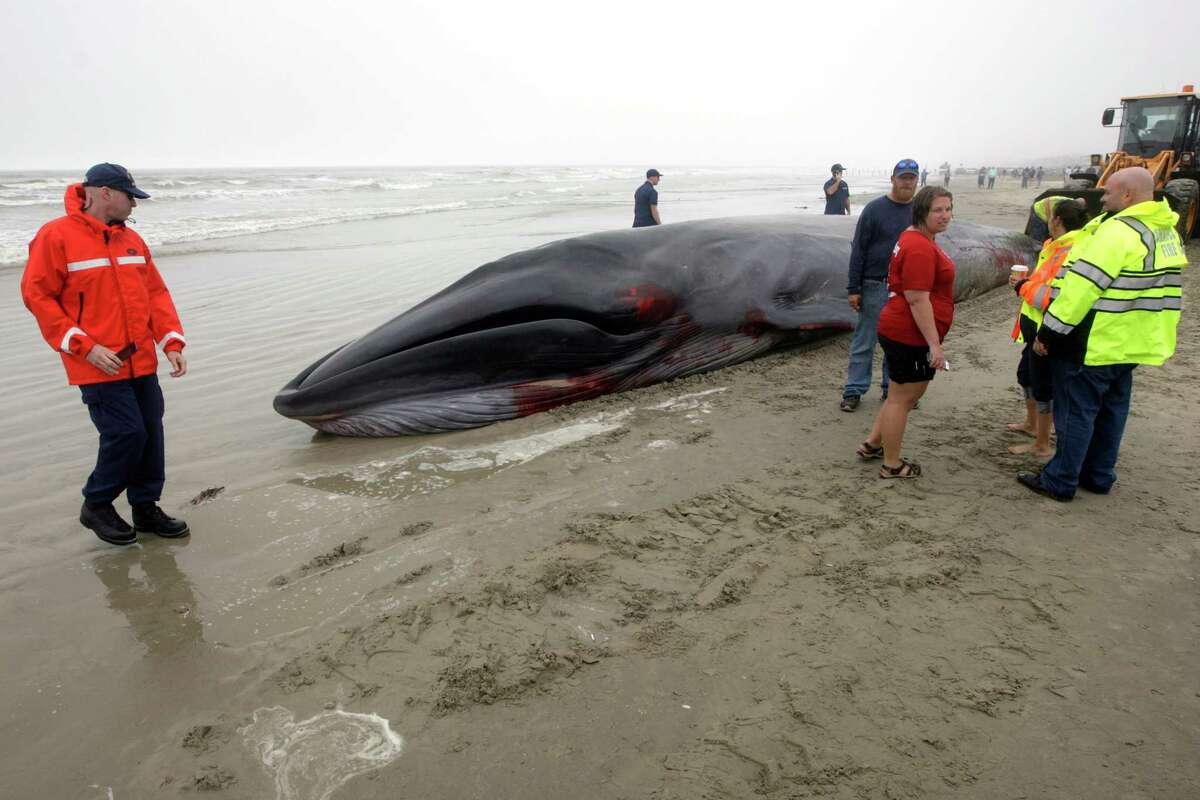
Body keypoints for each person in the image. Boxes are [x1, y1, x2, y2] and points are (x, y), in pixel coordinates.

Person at [21, 163, 190, 546]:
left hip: (141, 360)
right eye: (131, 197)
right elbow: (38, 296)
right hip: (97, 363)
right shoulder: (55, 236)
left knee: (149, 433)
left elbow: (155, 295)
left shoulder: (132, 241)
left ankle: (145, 507)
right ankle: (96, 503)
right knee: (126, 433)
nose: (135, 205)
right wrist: (84, 346)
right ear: (104, 193)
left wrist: (171, 342)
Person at [1018, 167, 1188, 500]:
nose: (1102, 196)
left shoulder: (1117, 234)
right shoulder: (1165, 231)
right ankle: (1098, 475)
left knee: (1077, 411)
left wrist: (1049, 333)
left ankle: (1061, 479)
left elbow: (1080, 292)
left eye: (1108, 192)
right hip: (1135, 340)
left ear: (1127, 195)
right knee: (1112, 410)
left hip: (1097, 340)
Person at [855, 186, 956, 478]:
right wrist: (934, 345)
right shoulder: (919, 246)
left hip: (901, 327)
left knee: (898, 394)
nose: (945, 215)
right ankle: (892, 464)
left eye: (948, 208)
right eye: (937, 210)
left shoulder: (914, 236)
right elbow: (916, 297)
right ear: (922, 212)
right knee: (905, 398)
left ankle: (873, 443)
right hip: (908, 333)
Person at [1006, 197, 1090, 458]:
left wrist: (1022, 286)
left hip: (1049, 330)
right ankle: (1032, 425)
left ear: (1058, 221)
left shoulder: (1070, 249)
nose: (1047, 221)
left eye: (1050, 217)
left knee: (1044, 387)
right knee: (1027, 376)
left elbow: (1054, 296)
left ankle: (1042, 443)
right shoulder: (1055, 246)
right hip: (1035, 326)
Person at [839, 159, 920, 411]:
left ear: (917, 180)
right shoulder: (874, 209)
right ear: (892, 179)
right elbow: (858, 250)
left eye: (912, 178)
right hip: (875, 285)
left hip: (907, 289)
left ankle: (891, 389)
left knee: (898, 342)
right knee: (865, 340)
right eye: (903, 177)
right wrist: (854, 288)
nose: (907, 182)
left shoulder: (919, 211)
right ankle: (854, 390)